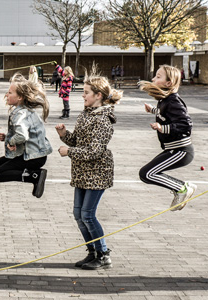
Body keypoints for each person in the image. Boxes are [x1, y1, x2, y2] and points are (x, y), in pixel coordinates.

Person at [55, 73, 122, 270]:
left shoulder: (102, 119)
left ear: (98, 95)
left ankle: (103, 255)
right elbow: (77, 141)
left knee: (88, 215)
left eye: (86, 93)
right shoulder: (86, 113)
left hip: (97, 173)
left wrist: (69, 152)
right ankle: (92, 252)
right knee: (78, 214)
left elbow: (95, 151)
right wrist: (64, 135)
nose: (83, 96)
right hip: (82, 172)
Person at [139, 65, 196, 211]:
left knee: (148, 173)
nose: (153, 79)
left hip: (181, 151)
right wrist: (152, 110)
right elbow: (166, 113)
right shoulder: (165, 100)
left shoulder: (173, 101)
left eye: (158, 77)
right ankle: (182, 188)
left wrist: (162, 128)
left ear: (168, 83)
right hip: (172, 149)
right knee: (145, 174)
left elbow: (186, 124)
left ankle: (182, 188)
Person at [0, 73, 52, 198]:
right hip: (38, 154)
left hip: (33, 157)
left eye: (10, 93)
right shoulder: (25, 110)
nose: (6, 95)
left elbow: (22, 135)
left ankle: (34, 176)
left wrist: (11, 142)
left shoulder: (20, 114)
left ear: (19, 97)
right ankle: (34, 174)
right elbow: (24, 133)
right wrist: (7, 137)